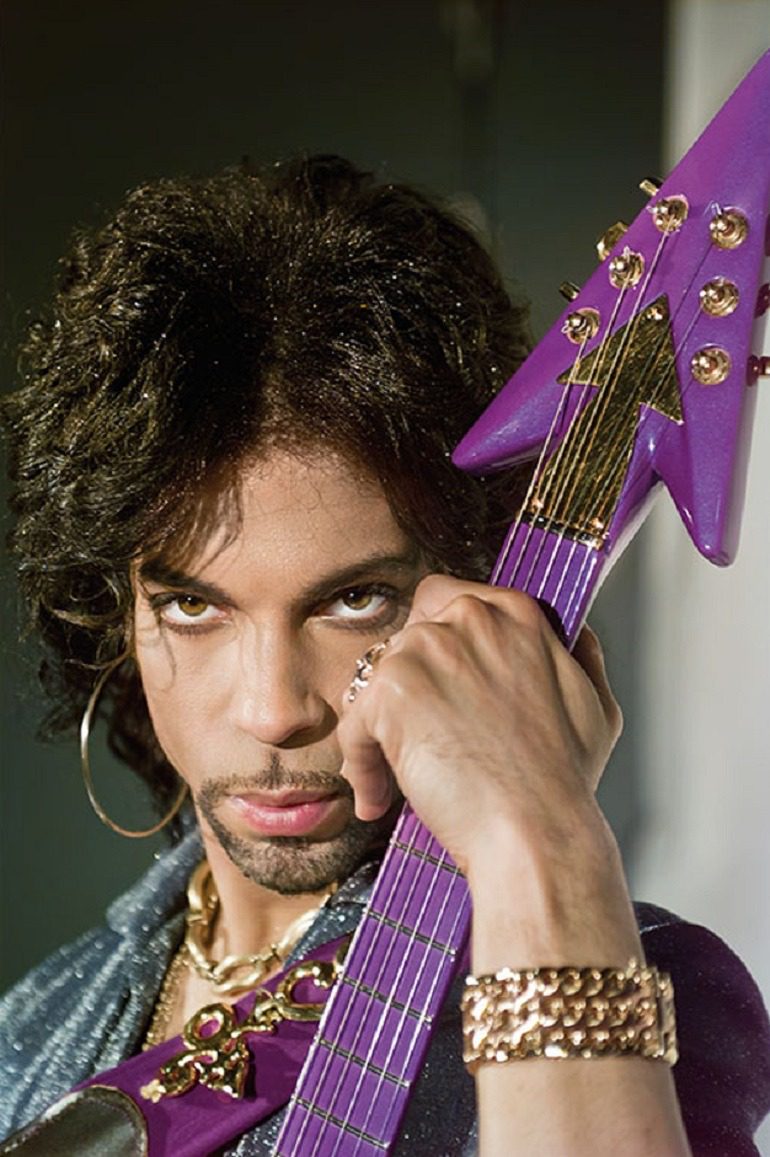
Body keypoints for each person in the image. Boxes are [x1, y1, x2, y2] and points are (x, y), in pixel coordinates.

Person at [0, 155, 767, 1156]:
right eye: (193, 605)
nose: (275, 709)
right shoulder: (36, 1025)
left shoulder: (645, 981)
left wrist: (538, 841)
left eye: (355, 600)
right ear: (119, 611)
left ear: (478, 589)